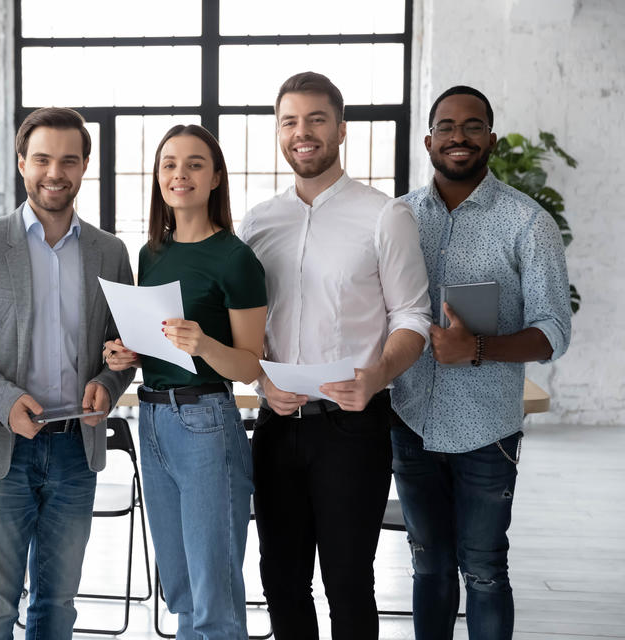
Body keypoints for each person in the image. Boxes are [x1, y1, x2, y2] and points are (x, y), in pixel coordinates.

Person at [238, 72, 432, 639]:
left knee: (348, 583)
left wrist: (376, 376)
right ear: (278, 132)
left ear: (341, 129)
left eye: (316, 120)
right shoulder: (257, 223)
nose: (303, 133)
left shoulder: (384, 215)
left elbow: (412, 317)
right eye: (290, 121)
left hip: (352, 427)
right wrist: (258, 386)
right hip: (275, 424)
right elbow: (250, 330)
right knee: (280, 581)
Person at [0, 106, 134, 640]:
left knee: (59, 605)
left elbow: (122, 349)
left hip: (76, 449)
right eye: (43, 159)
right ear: (22, 163)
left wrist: (109, 381)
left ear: (85, 166)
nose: (56, 172)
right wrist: (4, 401)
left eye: (69, 160)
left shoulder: (110, 252)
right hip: (1, 449)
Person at [390, 85, 572, 640]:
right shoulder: (397, 218)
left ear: (491, 138)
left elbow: (554, 332)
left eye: (473, 126)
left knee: (486, 570)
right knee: (428, 563)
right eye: (446, 126)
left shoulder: (528, 223)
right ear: (428, 140)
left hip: (487, 430)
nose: (459, 137)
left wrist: (478, 349)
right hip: (410, 420)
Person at [105, 124, 266, 639]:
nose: (181, 174)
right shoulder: (152, 253)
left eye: (195, 164)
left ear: (216, 177)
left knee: (212, 592)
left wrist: (205, 346)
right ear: (158, 177)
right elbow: (153, 345)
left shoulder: (236, 259)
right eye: (170, 163)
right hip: (150, 416)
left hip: (205, 423)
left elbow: (250, 367)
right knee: (178, 586)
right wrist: (124, 354)